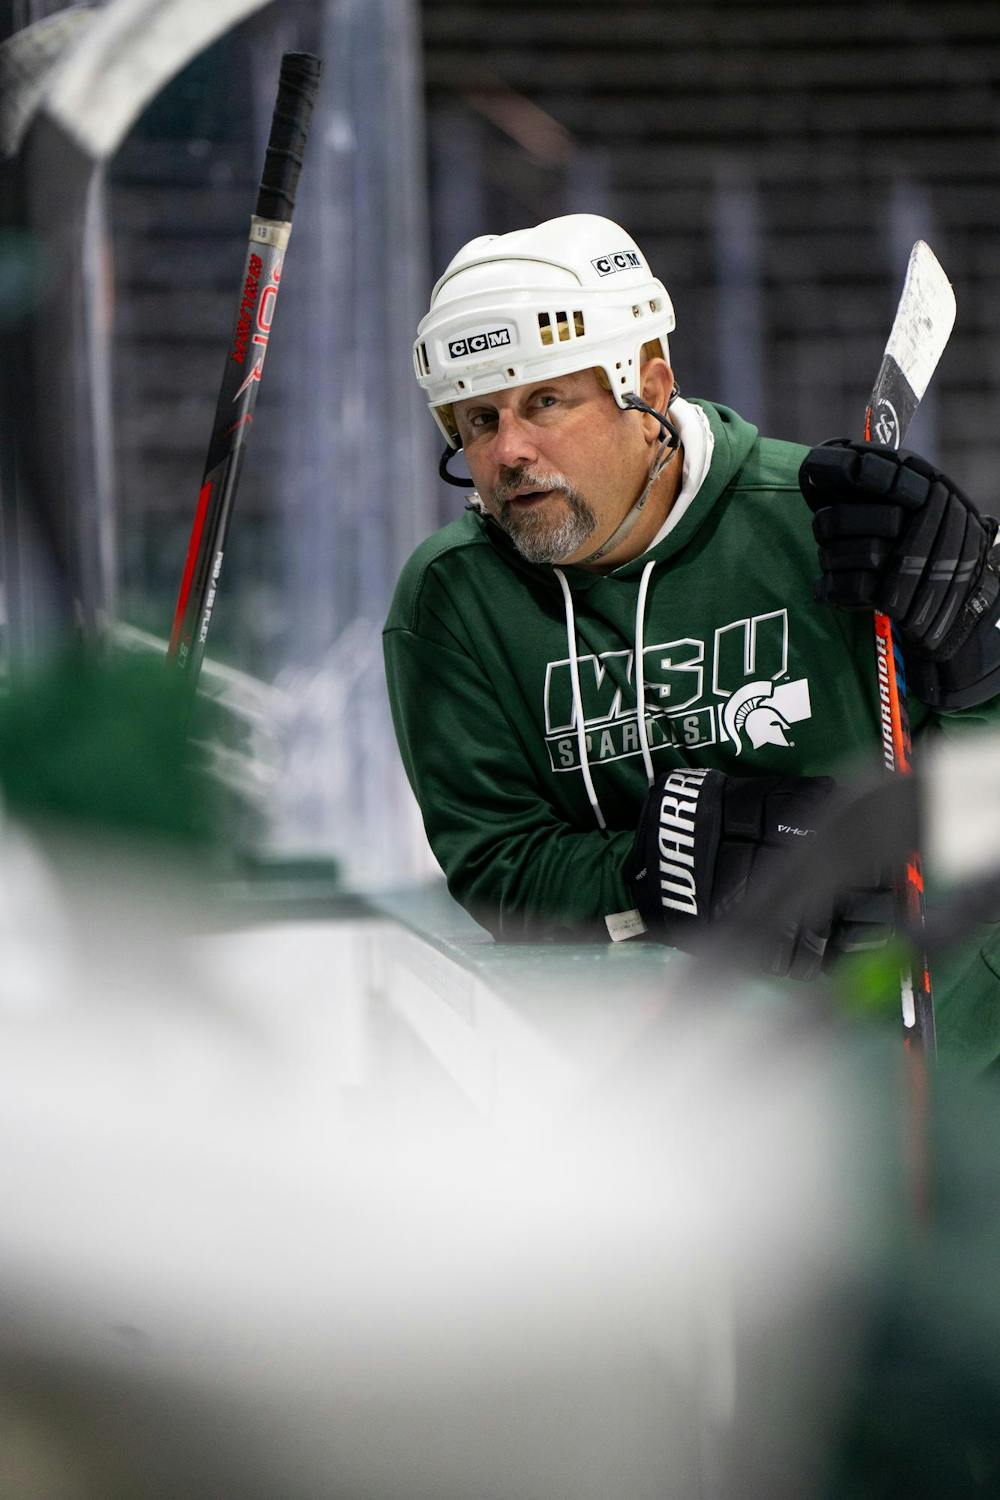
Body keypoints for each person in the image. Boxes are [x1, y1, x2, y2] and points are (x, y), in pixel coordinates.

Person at [384, 214, 1000, 1059]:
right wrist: (662, 870)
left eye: (545, 401)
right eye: (480, 422)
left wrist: (982, 660)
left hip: (934, 1070)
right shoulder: (451, 602)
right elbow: (500, 868)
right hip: (668, 1107)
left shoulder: (830, 529)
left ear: (652, 390)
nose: (510, 452)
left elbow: (987, 802)